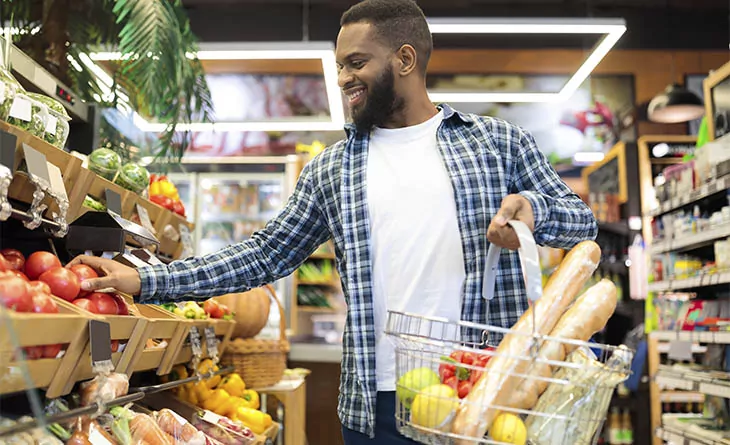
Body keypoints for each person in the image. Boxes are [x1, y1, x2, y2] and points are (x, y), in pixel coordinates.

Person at [70, 0, 597, 442]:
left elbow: (581, 222)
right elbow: (264, 254)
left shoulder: (495, 143)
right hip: (378, 407)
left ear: (406, 59)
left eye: (356, 62)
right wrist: (149, 278)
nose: (343, 77)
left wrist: (533, 212)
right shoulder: (334, 168)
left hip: (486, 392)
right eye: (339, 64)